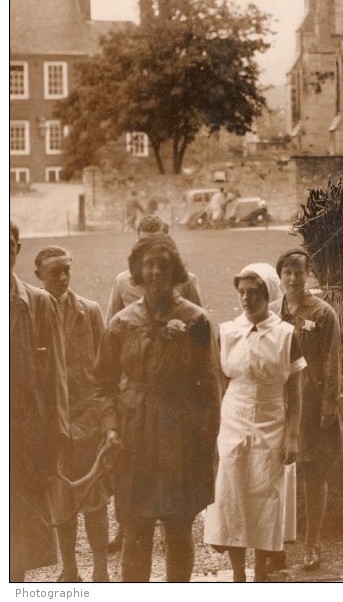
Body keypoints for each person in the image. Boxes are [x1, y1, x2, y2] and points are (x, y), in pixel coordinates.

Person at [95, 233, 221, 581]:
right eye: (147, 265)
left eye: (162, 265)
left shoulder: (195, 320)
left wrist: (204, 442)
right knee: (136, 530)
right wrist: (110, 428)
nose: (154, 272)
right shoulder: (121, 323)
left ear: (174, 271)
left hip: (179, 438)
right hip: (134, 440)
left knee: (178, 530)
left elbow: (209, 388)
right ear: (136, 271)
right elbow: (104, 384)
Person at [204, 264, 305, 583]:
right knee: (232, 492)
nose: (246, 299)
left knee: (264, 494)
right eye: (242, 293)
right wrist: (214, 429)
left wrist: (292, 435)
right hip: (233, 415)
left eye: (254, 293)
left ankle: (261, 572)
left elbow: (295, 389)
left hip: (271, 417)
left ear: (268, 295)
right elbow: (219, 383)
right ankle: (237, 574)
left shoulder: (286, 334)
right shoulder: (227, 331)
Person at [34, 246, 110, 582]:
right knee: (62, 502)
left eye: (67, 270)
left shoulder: (90, 312)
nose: (63, 278)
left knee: (95, 500)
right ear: (39, 276)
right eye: (54, 272)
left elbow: (108, 370)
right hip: (53, 427)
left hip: (88, 422)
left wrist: (107, 421)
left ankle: (101, 570)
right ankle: (70, 569)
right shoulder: (31, 313)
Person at [272, 248, 343, 571]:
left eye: (298, 272)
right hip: (280, 402)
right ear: (280, 276)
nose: (293, 278)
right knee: (277, 475)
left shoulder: (323, 313)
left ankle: (313, 543)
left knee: (313, 472)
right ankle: (274, 545)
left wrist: (328, 403)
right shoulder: (273, 312)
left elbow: (331, 361)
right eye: (287, 272)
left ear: (308, 275)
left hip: (311, 400)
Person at [9, 221, 69, 582]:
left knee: (20, 536)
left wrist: (55, 437)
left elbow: (56, 377)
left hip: (22, 437)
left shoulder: (39, 303)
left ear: (17, 248)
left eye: (8, 244)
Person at [105, 214, 202, 323]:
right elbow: (111, 327)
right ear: (137, 244)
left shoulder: (187, 281)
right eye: (144, 243)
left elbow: (199, 325)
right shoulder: (122, 282)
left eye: (157, 243)